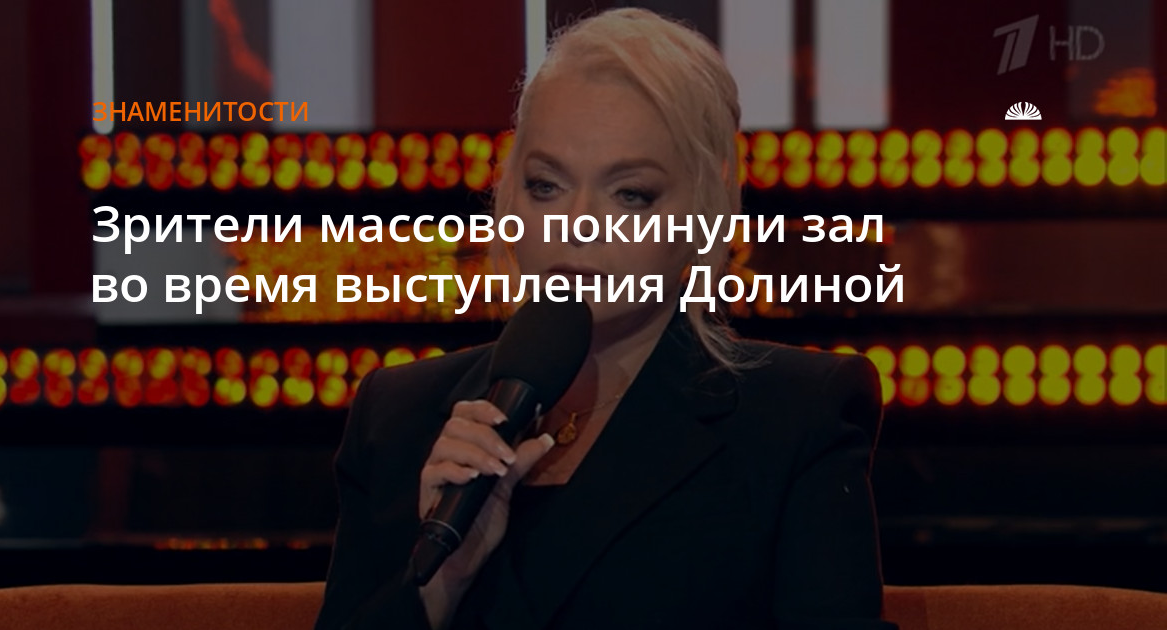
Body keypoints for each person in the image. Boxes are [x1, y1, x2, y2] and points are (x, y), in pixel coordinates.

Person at [314, 7, 895, 630]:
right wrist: (442, 582)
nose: (578, 224)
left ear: (704, 214)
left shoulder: (795, 417)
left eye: (631, 194)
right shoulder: (397, 419)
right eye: (546, 185)